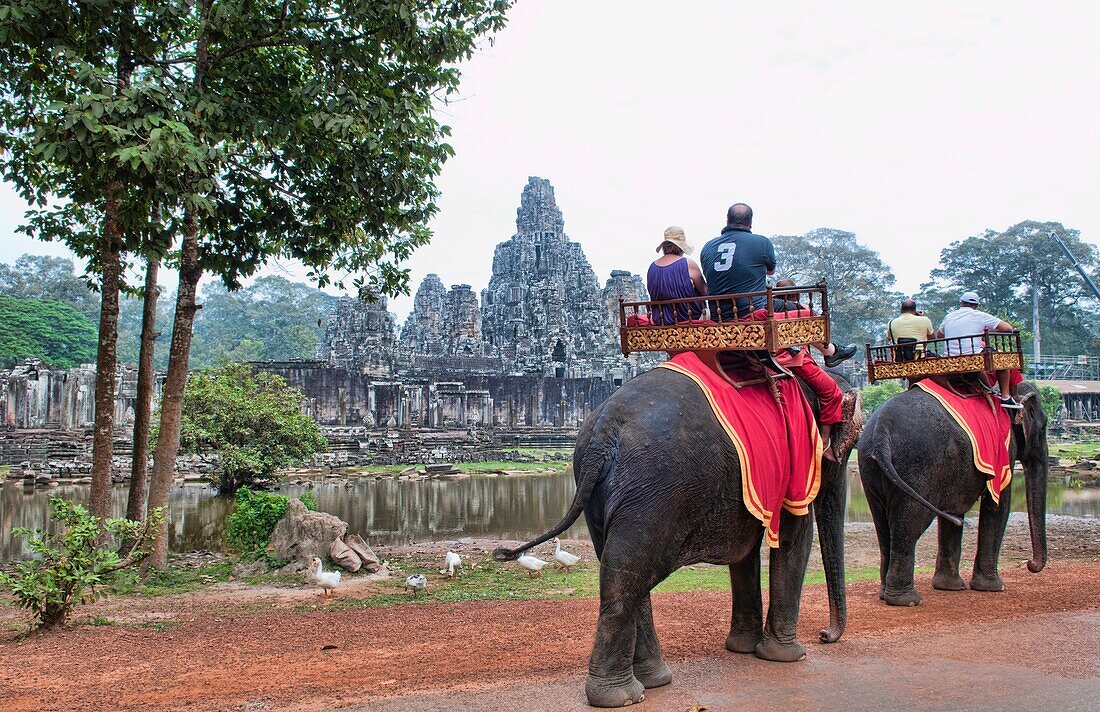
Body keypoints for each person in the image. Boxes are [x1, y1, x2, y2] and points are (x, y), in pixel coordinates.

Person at [701, 203, 849, 460]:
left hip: (720, 317)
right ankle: (831, 351)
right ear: (749, 222)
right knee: (806, 313)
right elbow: (769, 269)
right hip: (753, 313)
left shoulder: (708, 248)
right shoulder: (761, 242)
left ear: (727, 220)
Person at [937, 291, 1022, 409]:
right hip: (973, 357)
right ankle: (1006, 397)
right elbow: (1008, 328)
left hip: (949, 357)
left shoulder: (949, 316)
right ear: (976, 305)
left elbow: (939, 335)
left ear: (961, 303)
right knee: (1002, 361)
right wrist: (986, 331)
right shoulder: (980, 315)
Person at [646, 226, 707, 324]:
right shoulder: (688, 264)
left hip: (661, 321)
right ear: (681, 247)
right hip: (688, 318)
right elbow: (705, 291)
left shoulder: (652, 267)